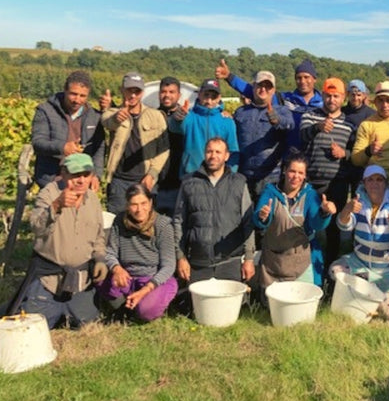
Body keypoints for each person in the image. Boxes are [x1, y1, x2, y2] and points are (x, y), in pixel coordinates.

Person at [8, 154, 107, 328]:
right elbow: (36, 228)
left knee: (87, 323)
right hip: (49, 279)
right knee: (34, 326)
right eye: (76, 175)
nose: (81, 180)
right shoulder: (48, 193)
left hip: (80, 279)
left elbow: (98, 235)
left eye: (86, 175)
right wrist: (56, 206)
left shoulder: (93, 199)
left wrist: (99, 259)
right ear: (64, 173)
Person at [174, 138, 256, 293]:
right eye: (209, 151)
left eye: (218, 152)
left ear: (226, 156)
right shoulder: (188, 182)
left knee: (231, 307)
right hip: (199, 261)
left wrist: (249, 259)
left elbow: (248, 222)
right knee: (193, 309)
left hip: (230, 260)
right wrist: (180, 257)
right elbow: (179, 221)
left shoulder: (239, 182)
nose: (213, 155)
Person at [330, 165, 389, 320]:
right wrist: (346, 211)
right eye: (370, 180)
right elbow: (344, 225)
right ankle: (365, 289)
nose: (375, 184)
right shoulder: (358, 201)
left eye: (379, 180)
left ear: (386, 183)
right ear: (364, 183)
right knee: (334, 270)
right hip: (361, 263)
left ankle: (375, 293)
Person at [97, 184, 178, 322]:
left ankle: (141, 306)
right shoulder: (120, 221)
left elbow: (168, 265)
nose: (139, 209)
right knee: (100, 280)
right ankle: (125, 306)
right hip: (127, 276)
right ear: (127, 205)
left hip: (153, 278)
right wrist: (117, 269)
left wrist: (145, 290)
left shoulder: (162, 225)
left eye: (143, 203)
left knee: (146, 311)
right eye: (134, 205)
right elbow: (110, 251)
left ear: (151, 202)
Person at [253, 153, 335, 288]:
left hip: (301, 261)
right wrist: (262, 216)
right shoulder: (270, 192)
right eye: (292, 171)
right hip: (273, 261)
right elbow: (259, 218)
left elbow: (316, 224)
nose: (296, 176)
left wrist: (324, 213)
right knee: (270, 306)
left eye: (300, 173)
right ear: (284, 171)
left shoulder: (310, 195)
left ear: (305, 176)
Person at [299, 77, 355, 268]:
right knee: (306, 225)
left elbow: (354, 154)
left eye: (336, 96)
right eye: (328, 96)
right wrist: (317, 128)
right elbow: (302, 136)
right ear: (322, 95)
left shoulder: (349, 125)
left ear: (343, 97)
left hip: (337, 183)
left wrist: (344, 153)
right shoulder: (310, 116)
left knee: (334, 228)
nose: (332, 100)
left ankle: (330, 266)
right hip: (311, 181)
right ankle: (304, 265)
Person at [216, 57, 323, 150]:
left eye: (306, 77)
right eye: (299, 78)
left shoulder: (325, 103)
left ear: (314, 79)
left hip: (315, 156)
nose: (302, 81)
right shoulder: (284, 99)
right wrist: (230, 77)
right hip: (289, 157)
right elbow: (255, 91)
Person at [102, 72, 170, 214]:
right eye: (129, 91)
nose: (133, 95)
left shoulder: (156, 116)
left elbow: (163, 150)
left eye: (137, 91)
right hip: (119, 181)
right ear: (122, 90)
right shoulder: (112, 112)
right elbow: (108, 122)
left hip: (144, 181)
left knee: (146, 226)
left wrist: (152, 174)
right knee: (117, 224)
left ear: (142, 93)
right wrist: (117, 118)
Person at [31, 70, 105, 190]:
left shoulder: (94, 116)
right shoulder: (45, 111)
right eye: (73, 94)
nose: (77, 100)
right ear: (65, 90)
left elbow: (99, 148)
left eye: (82, 96)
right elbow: (38, 143)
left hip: (81, 180)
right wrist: (62, 147)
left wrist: (96, 174)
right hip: (52, 178)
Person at [233, 70, 294, 202]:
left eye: (268, 86)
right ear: (253, 86)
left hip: (270, 177)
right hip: (242, 175)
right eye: (259, 85)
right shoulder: (241, 112)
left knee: (266, 217)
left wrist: (277, 120)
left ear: (273, 90)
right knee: (243, 216)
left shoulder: (282, 111)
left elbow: (289, 125)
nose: (263, 89)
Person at [168, 78, 239, 177]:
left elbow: (233, 151)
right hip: (191, 175)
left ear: (219, 98)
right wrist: (177, 118)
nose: (209, 101)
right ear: (199, 94)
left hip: (218, 178)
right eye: (206, 95)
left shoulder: (227, 122)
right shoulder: (189, 117)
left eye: (213, 97)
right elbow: (173, 127)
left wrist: (230, 176)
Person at [155, 76, 186, 216]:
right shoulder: (151, 116)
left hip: (179, 183)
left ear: (179, 95)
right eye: (164, 91)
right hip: (155, 182)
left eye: (172, 92)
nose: (167, 95)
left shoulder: (188, 118)